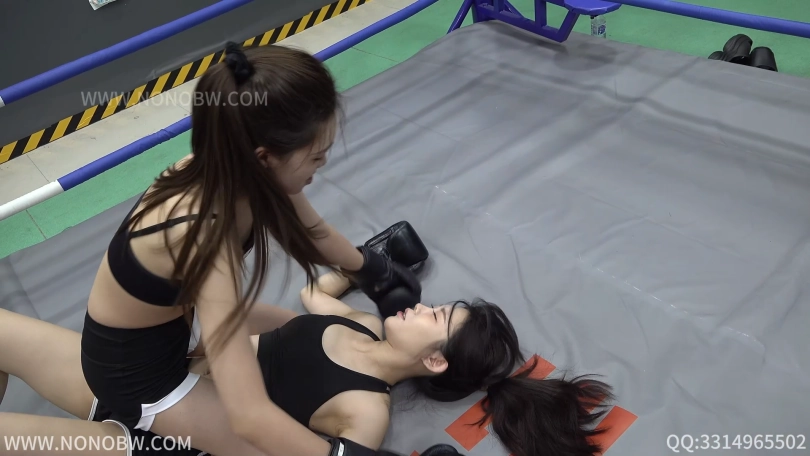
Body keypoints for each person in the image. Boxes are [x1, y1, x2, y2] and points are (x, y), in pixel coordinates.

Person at [76, 41, 422, 456]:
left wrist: (371, 269)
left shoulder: (239, 167)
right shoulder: (202, 233)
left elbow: (313, 231)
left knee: (303, 332)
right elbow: (249, 415)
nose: (322, 165)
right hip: (139, 375)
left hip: (176, 326)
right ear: (265, 157)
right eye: (316, 157)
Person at [0, 264, 615, 456]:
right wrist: (364, 265)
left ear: (433, 362)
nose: (422, 306)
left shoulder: (364, 412)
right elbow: (314, 295)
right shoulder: (362, 323)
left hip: (169, 438)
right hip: (154, 377)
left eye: (435, 317)